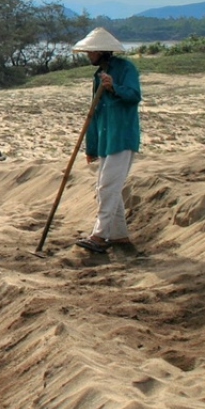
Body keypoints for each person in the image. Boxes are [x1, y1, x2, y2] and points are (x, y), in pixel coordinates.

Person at [72, 28, 141, 254]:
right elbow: (96, 112)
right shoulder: (97, 76)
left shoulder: (126, 69)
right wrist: (91, 147)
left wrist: (114, 87)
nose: (88, 56)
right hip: (106, 138)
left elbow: (133, 96)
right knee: (108, 186)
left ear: (102, 51)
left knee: (107, 186)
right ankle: (119, 235)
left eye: (91, 52)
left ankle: (100, 235)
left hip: (121, 136)